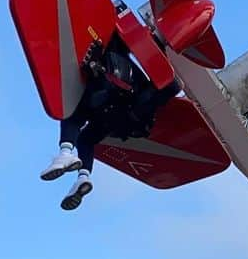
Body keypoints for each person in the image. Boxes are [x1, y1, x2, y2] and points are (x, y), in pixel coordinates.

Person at [40, 34, 180, 212]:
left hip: (109, 96)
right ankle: (83, 177)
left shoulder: (117, 50)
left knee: (73, 117)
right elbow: (174, 86)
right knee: (86, 139)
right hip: (122, 120)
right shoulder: (155, 86)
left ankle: (65, 153)